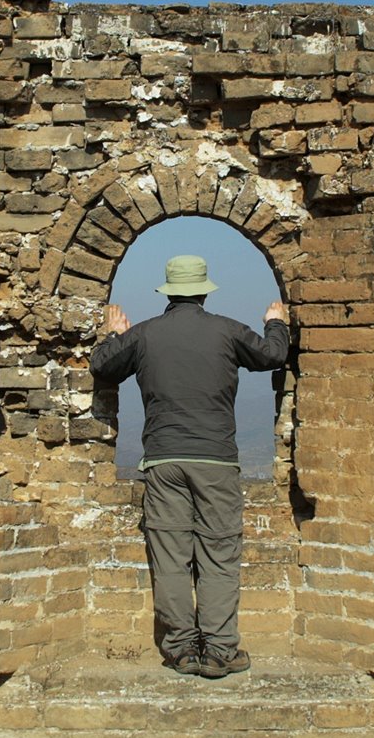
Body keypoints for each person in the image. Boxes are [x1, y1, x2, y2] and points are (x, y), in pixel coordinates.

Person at [90, 254, 290, 678]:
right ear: (204, 291)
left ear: (168, 292)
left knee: (171, 556)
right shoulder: (228, 331)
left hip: (163, 459)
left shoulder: (145, 334)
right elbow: (273, 355)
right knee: (219, 554)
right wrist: (275, 322)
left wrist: (114, 333)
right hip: (216, 460)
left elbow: (102, 366)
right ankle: (219, 651)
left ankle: (181, 649)